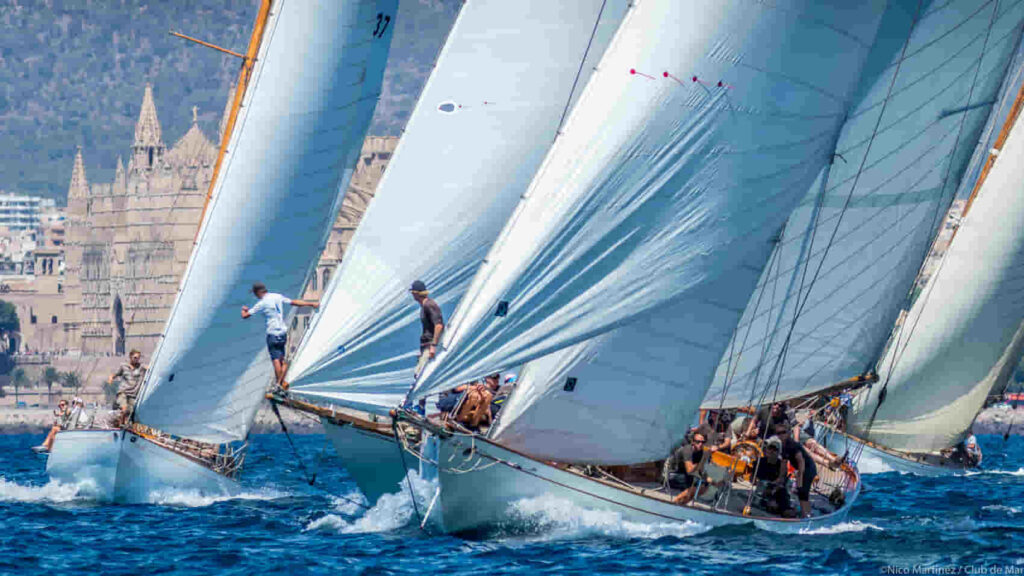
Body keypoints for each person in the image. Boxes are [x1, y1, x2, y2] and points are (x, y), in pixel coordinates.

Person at [241, 282, 318, 388]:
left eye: (255, 294)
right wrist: (311, 304)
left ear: (258, 292)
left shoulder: (262, 303)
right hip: (282, 332)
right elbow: (294, 302)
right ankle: (281, 382)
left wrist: (243, 310)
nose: (255, 296)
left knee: (276, 360)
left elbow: (245, 316)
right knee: (281, 360)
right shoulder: (277, 296)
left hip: (272, 333)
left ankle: (279, 385)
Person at [776, 423, 817, 518]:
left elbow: (800, 461)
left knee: (803, 492)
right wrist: (781, 477)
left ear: (788, 433)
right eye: (778, 433)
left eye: (783, 432)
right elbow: (784, 463)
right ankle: (805, 513)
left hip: (808, 468)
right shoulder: (783, 445)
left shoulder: (792, 445)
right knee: (801, 493)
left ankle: (807, 515)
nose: (781, 435)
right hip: (804, 468)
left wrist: (800, 477)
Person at [666, 431, 715, 505]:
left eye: (703, 442)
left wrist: (708, 479)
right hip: (672, 474)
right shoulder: (687, 450)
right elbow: (690, 470)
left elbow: (700, 470)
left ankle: (682, 503)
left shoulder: (700, 452)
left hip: (685, 474)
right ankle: (675, 503)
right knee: (694, 485)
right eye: (698, 442)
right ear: (693, 442)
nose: (700, 444)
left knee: (704, 485)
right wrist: (704, 457)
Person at [411, 280, 443, 378]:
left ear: (416, 293)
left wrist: (433, 345)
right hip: (425, 346)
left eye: (413, 293)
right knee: (418, 373)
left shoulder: (429, 305)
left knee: (420, 374)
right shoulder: (424, 306)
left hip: (430, 345)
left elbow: (439, 325)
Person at [754, 436, 793, 516]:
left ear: (778, 452)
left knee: (781, 492)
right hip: (762, 490)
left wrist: (774, 488)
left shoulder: (781, 465)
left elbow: (781, 481)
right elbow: (754, 479)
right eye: (770, 448)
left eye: (775, 449)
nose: (771, 451)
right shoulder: (759, 462)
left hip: (776, 491)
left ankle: (785, 510)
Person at [109, 349, 147, 426]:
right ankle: (121, 424)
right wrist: (111, 378)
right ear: (130, 357)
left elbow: (150, 368)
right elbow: (116, 374)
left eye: (138, 358)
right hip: (123, 392)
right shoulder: (123, 366)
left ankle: (124, 424)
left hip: (133, 394)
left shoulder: (141, 367)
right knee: (124, 408)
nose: (137, 360)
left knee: (132, 412)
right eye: (135, 357)